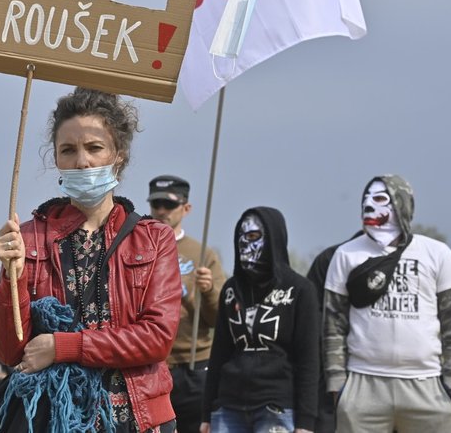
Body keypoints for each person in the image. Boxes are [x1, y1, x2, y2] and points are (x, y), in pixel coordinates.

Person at [0, 87, 182, 432]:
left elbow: (156, 337)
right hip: (57, 418)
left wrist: (65, 346)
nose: (82, 161)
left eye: (94, 148)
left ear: (118, 153)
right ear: (56, 159)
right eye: (68, 150)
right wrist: (11, 278)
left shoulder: (154, 238)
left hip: (138, 420)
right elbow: (9, 352)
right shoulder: (28, 238)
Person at [323, 175, 451, 433]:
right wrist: (338, 387)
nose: (369, 205)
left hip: (427, 386)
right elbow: (332, 324)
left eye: (379, 199)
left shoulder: (437, 253)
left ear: (401, 204)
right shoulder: (345, 255)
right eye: (365, 199)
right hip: (363, 385)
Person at [201, 207, 320, 433]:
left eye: (254, 236)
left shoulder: (300, 290)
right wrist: (207, 412)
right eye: (240, 237)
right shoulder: (230, 289)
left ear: (273, 238)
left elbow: (309, 361)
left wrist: (306, 422)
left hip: (277, 407)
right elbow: (219, 354)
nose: (245, 244)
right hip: (228, 408)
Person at [147, 175, 225, 433]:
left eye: (168, 205)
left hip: (193, 366)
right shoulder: (138, 245)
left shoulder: (203, 255)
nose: (161, 211)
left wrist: (210, 291)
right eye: (156, 204)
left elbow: (219, 320)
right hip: (150, 365)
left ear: (186, 208)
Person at [305, 231, 361, 433]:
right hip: (331, 371)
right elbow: (311, 317)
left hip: (383, 373)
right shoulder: (330, 259)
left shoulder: (405, 260)